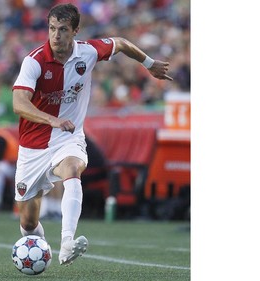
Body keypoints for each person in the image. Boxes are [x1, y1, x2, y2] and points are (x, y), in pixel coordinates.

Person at [11, 3, 172, 266]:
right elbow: (19, 104)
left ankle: (66, 243)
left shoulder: (88, 52)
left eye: (63, 30)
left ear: (76, 30)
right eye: (52, 29)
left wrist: (149, 63)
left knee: (72, 168)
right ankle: (40, 246)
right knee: (28, 223)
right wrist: (53, 120)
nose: (56, 36)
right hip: (32, 147)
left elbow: (119, 43)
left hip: (68, 138)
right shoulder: (35, 61)